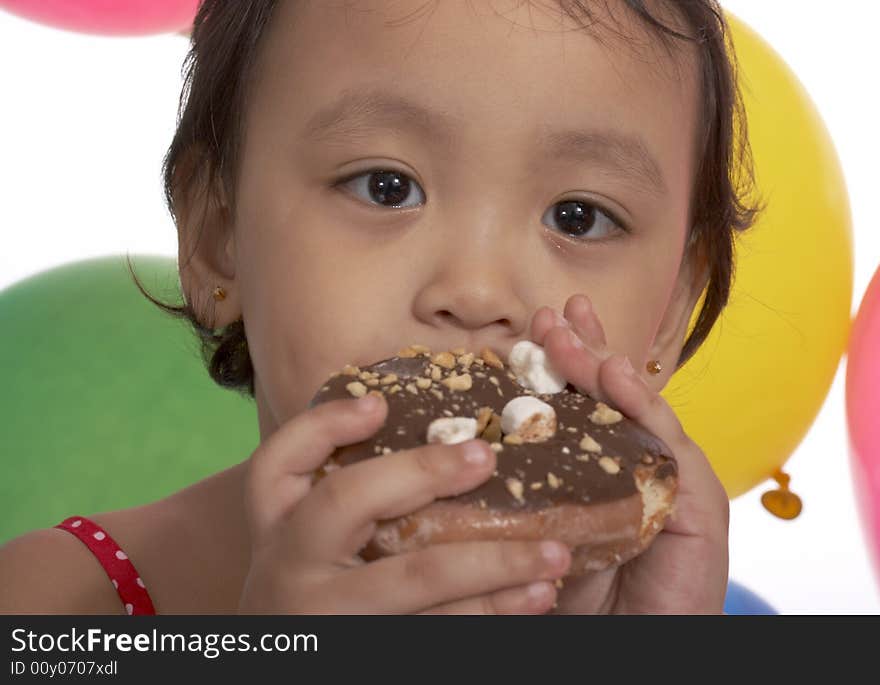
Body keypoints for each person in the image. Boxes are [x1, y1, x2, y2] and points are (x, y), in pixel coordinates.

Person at [0, 0, 759, 614]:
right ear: (218, 237)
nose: (476, 291)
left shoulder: (675, 604)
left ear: (670, 309)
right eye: (385, 186)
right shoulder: (53, 604)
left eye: (578, 216)